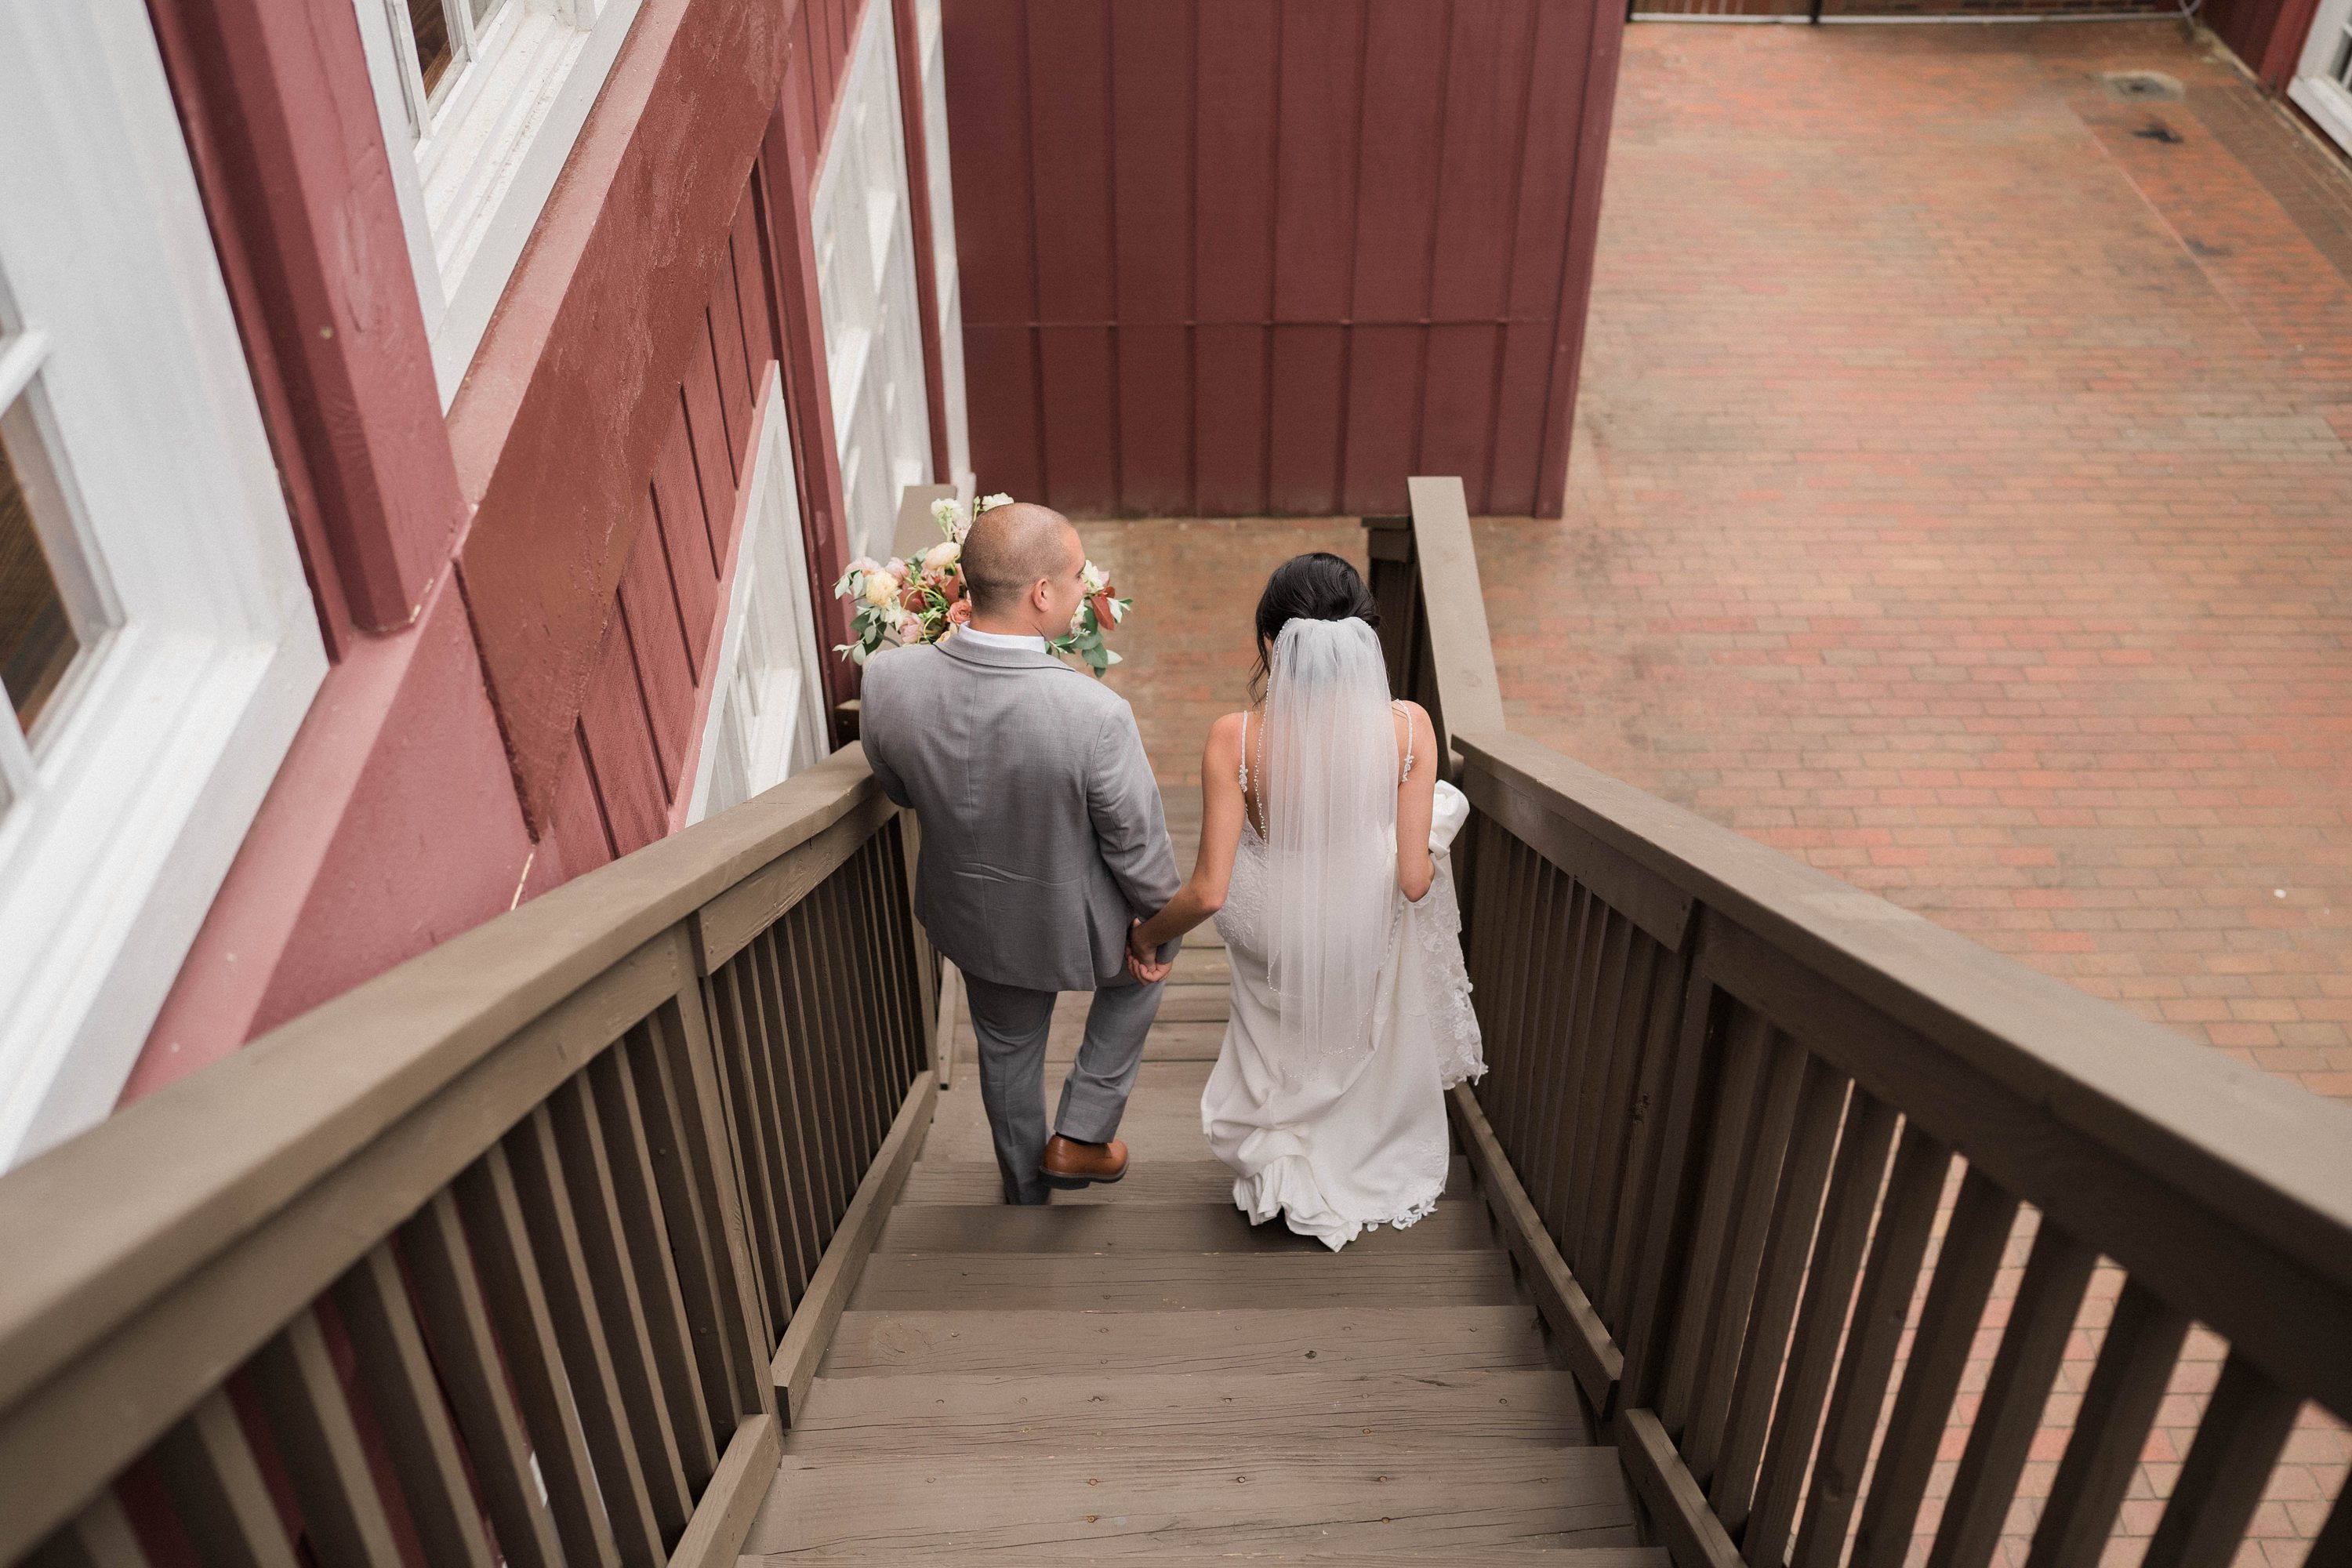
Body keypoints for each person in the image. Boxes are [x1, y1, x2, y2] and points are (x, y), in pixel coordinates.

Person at [1125, 554, 1484, 1249]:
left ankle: (1279, 1145)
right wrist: (1435, 834)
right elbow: (1412, 881)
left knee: (1278, 1030)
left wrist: (1147, 936)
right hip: (1357, 918)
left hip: (1268, 923)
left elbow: (1209, 889)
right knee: (1350, 1024)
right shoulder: (1410, 727)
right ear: (1365, 639)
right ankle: (1342, 1153)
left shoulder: (1237, 737)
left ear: (1269, 641)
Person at [861, 501, 1181, 1204]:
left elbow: (900, 790)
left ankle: (1025, 1187)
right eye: (1075, 579)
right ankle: (1083, 1133)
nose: (1080, 592)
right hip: (1078, 925)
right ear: (1042, 594)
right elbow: (1139, 849)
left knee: (1005, 1051)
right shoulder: (1095, 714)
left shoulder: (887, 682)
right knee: (1158, 951)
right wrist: (1157, 925)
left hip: (974, 916)